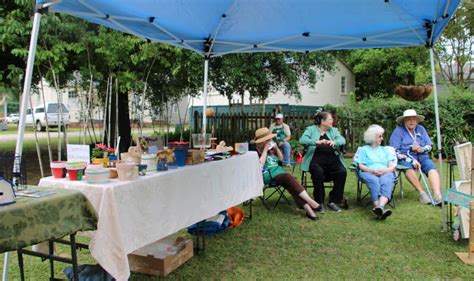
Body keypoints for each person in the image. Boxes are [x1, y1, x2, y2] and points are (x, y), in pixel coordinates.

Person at [254, 127, 320, 220]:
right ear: (262, 141)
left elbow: (281, 159)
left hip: (280, 174)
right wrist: (265, 150)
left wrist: (276, 148)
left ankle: (309, 210)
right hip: (269, 175)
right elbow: (260, 165)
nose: (270, 140)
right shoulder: (256, 152)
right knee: (288, 177)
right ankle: (311, 202)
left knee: (291, 186)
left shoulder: (271, 150)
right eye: (268, 139)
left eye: (270, 139)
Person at [389, 109, 442, 205]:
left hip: (422, 156)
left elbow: (429, 145)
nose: (411, 121)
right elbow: (394, 151)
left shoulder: (421, 129)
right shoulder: (398, 131)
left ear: (417, 120)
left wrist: (421, 149)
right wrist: (410, 160)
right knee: (407, 168)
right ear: (404, 121)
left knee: (431, 167)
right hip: (405, 157)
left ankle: (437, 195)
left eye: (414, 119)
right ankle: (422, 194)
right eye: (408, 119)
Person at [299, 111, 347, 213]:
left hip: (333, 159)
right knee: (317, 171)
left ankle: (333, 201)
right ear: (322, 121)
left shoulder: (333, 130)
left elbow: (342, 140)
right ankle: (319, 201)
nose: (332, 121)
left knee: (342, 172)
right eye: (330, 119)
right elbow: (302, 140)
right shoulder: (311, 130)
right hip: (316, 160)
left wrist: (335, 142)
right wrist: (316, 142)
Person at [353, 125, 396, 219]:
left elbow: (391, 166)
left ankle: (380, 207)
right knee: (374, 182)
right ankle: (379, 208)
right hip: (368, 172)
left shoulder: (385, 150)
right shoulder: (364, 149)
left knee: (387, 181)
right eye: (379, 136)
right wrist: (371, 170)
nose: (382, 138)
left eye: (382, 136)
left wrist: (384, 171)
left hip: (385, 172)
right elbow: (360, 165)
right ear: (372, 137)